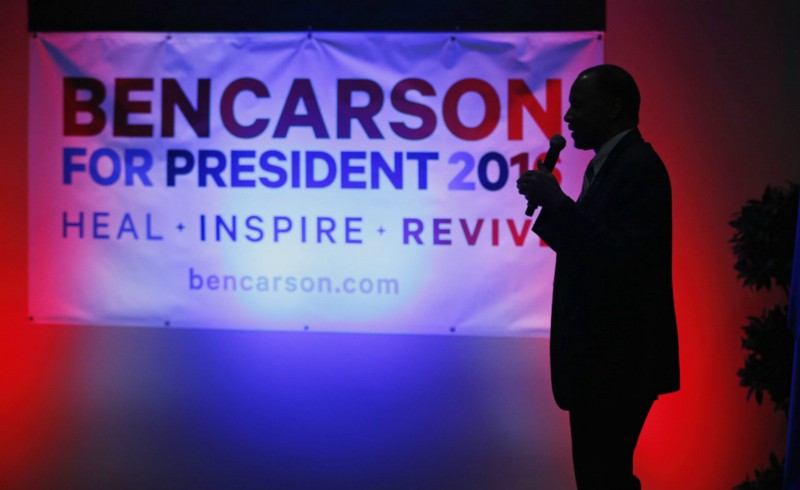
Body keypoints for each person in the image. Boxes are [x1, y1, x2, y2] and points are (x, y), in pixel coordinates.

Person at [516, 64, 680, 489]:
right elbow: (593, 248)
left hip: (617, 365)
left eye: (578, 106)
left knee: (603, 477)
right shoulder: (609, 166)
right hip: (599, 364)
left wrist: (559, 204)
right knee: (601, 478)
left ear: (614, 108)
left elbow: (622, 258)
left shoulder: (639, 166)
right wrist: (556, 208)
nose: (568, 117)